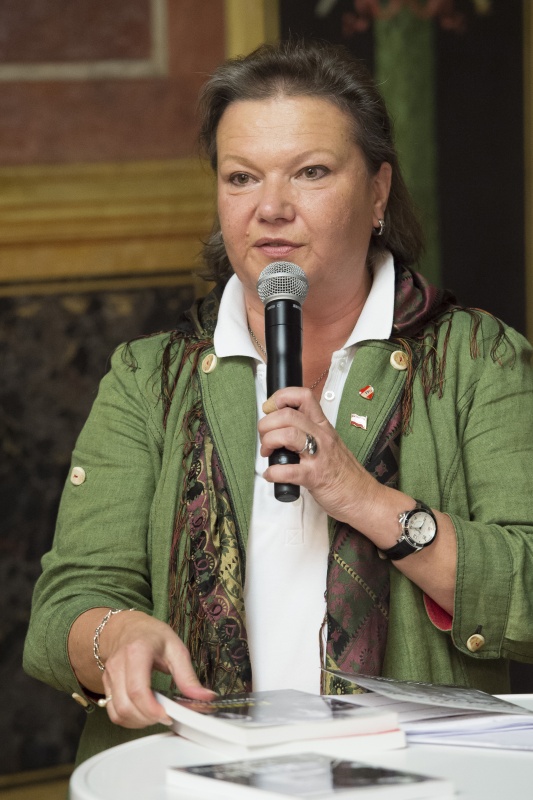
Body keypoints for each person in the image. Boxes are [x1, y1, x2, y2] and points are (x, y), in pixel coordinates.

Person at [24, 39, 533, 764]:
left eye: (311, 172)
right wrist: (111, 636)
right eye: (240, 177)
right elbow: (64, 607)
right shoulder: (150, 377)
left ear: (378, 190)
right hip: (195, 774)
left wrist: (363, 498)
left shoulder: (477, 361)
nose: (270, 208)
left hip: (413, 777)